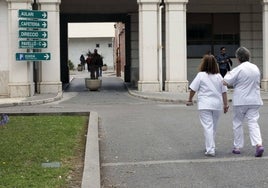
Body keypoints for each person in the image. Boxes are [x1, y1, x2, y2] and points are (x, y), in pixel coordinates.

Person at [223, 46, 264, 157]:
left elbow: (225, 81)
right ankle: (258, 144)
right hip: (255, 99)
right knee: (253, 122)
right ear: (248, 56)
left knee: (238, 123)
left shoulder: (239, 69)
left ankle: (237, 146)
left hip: (240, 100)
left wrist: (229, 74)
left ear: (238, 58)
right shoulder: (255, 67)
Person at [186, 54, 229, 157]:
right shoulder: (219, 76)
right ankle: (211, 146)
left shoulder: (201, 75)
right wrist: (225, 104)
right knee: (213, 127)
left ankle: (210, 149)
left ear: (203, 64)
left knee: (207, 127)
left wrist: (190, 99)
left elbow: (193, 89)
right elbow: (224, 92)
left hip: (204, 104)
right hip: (217, 105)